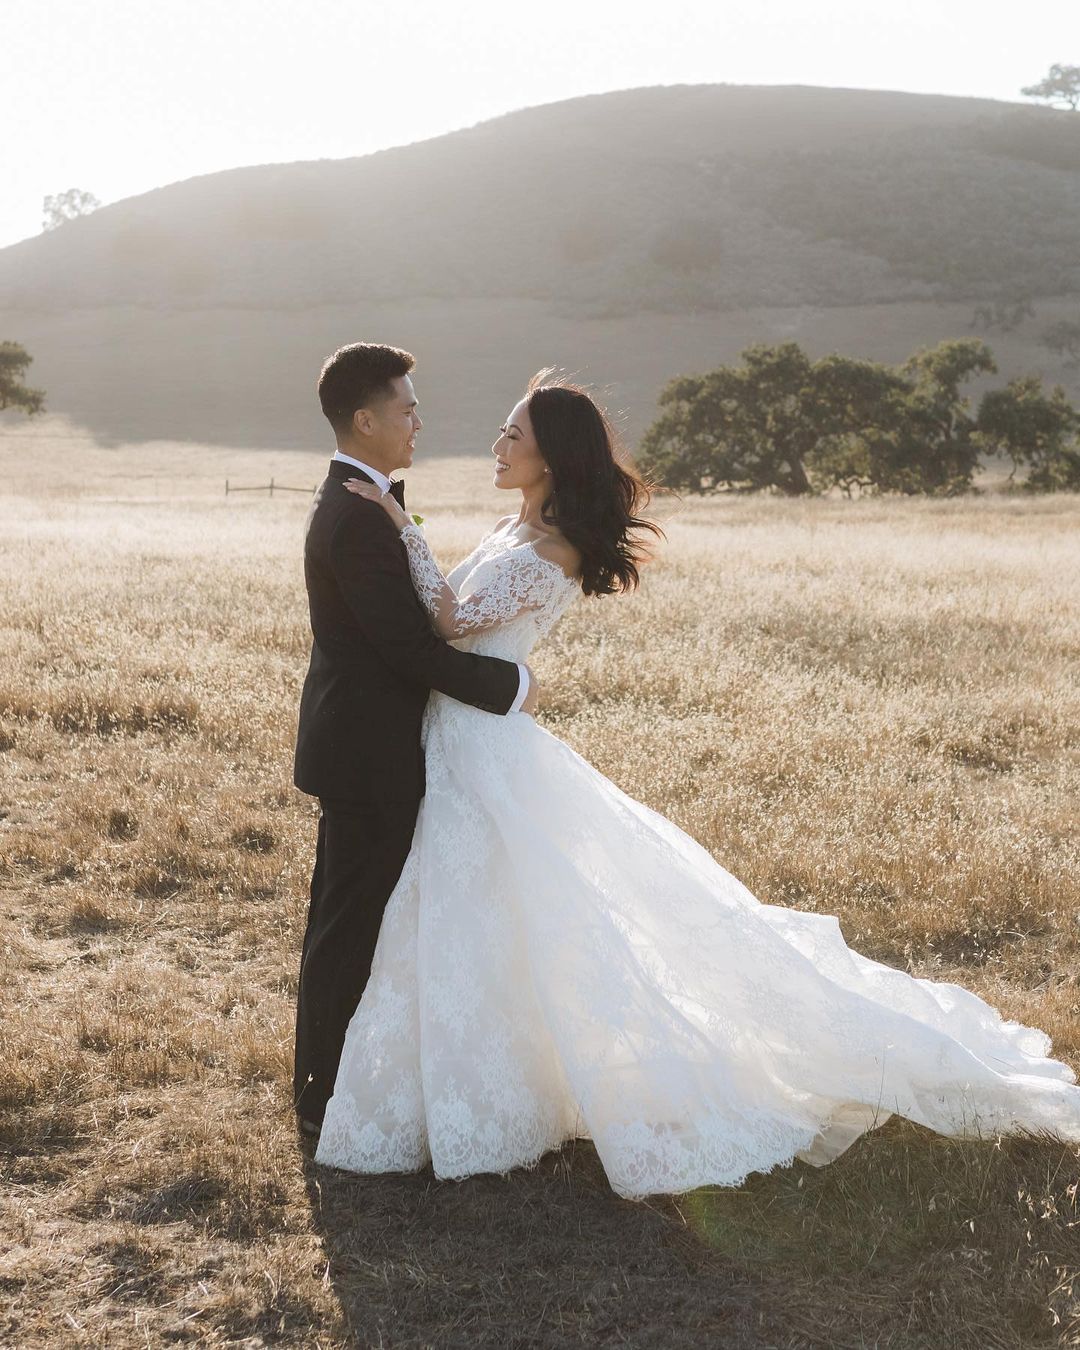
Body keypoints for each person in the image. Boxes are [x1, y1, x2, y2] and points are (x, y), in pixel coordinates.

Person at [314, 370, 1080, 1199]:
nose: (497, 445)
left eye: (514, 436)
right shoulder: (513, 527)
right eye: (503, 431)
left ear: (552, 458)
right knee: (483, 918)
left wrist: (403, 526)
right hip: (457, 738)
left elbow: (449, 621)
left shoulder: (551, 550)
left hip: (482, 747)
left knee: (513, 910)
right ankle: (492, 1088)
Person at [292, 343, 538, 1138]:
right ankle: (321, 1098)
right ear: (366, 421)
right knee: (350, 925)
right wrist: (511, 687)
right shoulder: (357, 519)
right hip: (369, 754)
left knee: (351, 917)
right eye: (406, 409)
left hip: (365, 745)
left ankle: (330, 1085)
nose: (418, 422)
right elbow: (409, 650)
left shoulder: (368, 505)